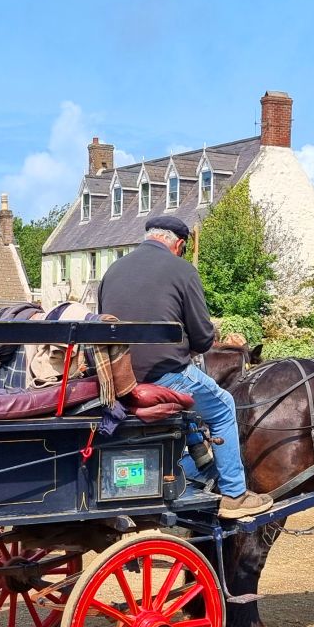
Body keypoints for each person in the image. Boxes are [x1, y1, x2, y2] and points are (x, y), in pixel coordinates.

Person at [97, 215, 272, 519]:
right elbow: (204, 340)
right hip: (162, 376)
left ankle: (199, 463)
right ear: (178, 244)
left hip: (119, 379)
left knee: (196, 401)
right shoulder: (182, 270)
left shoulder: (113, 270)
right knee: (222, 405)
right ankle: (234, 493)